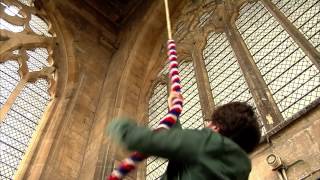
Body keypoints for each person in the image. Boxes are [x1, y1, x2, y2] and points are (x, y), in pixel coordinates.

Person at [107, 92, 261, 180]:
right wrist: (173, 113)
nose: (205, 126)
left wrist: (119, 125)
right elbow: (183, 150)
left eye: (208, 123)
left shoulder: (209, 143)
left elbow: (148, 141)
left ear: (215, 127)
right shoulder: (241, 170)